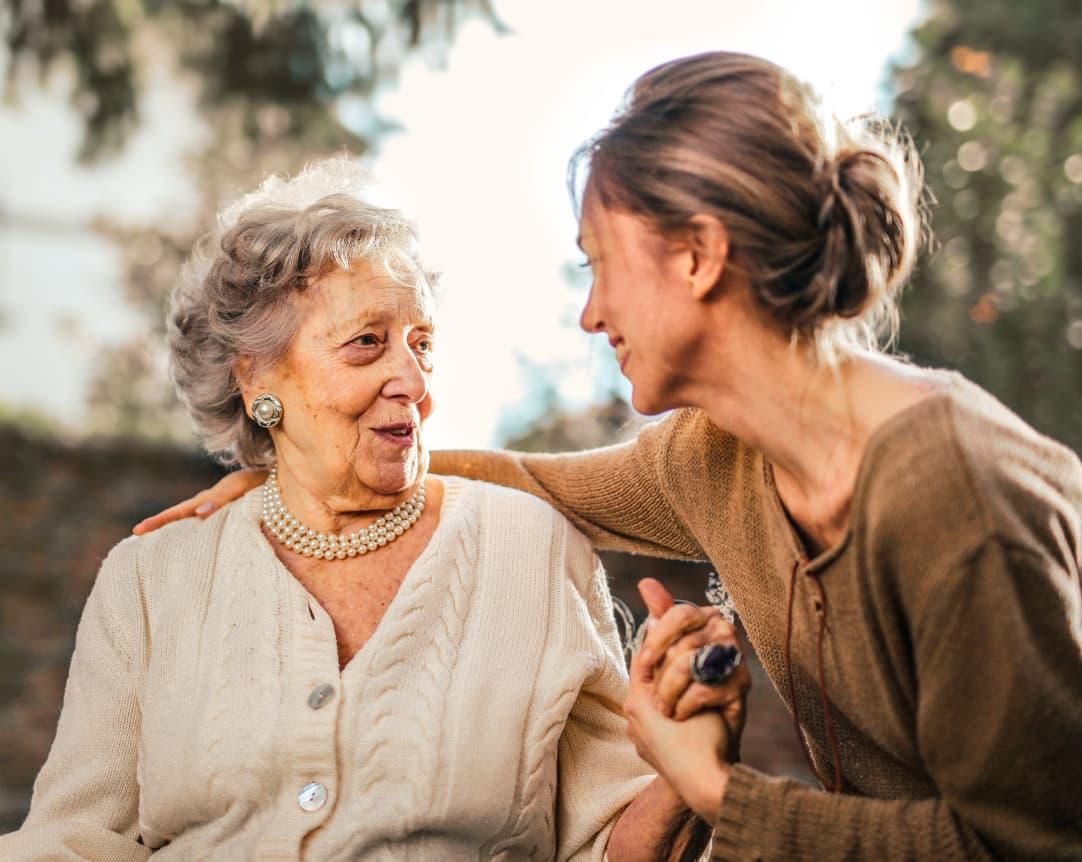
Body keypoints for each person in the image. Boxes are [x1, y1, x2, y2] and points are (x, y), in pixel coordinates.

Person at [150, 52, 1082, 859]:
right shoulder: (716, 456)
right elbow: (532, 482)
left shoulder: (951, 499)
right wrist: (301, 462)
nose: (591, 313)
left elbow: (1034, 845)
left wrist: (721, 796)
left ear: (698, 258)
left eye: (599, 261)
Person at [0, 160, 715, 861]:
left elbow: (608, 843)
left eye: (423, 345)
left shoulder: (534, 549)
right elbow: (73, 840)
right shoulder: (150, 580)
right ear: (256, 379)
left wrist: (686, 777)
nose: (412, 381)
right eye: (367, 342)